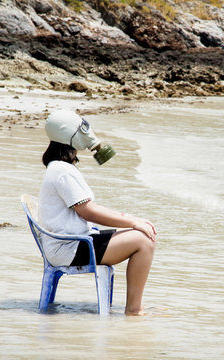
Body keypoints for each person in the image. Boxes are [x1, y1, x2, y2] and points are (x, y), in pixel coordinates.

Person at [38, 110, 156, 316]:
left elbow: (88, 208)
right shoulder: (63, 171)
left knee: (140, 232)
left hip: (71, 242)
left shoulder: (59, 167)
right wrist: (132, 223)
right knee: (143, 241)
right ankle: (134, 309)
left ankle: (135, 306)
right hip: (70, 247)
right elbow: (88, 212)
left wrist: (130, 219)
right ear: (70, 136)